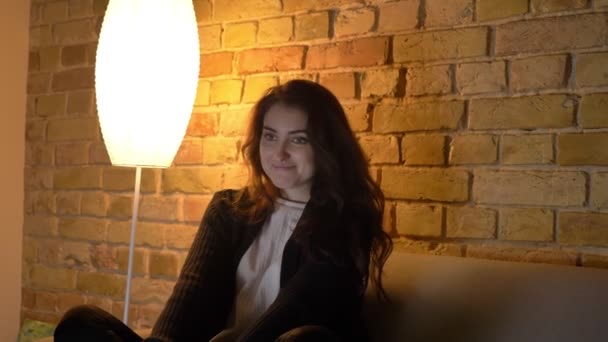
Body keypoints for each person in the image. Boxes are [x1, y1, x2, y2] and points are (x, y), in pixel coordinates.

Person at [54, 79, 393, 342]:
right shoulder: (229, 210)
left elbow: (291, 312)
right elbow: (190, 304)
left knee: (301, 340)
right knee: (82, 324)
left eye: (299, 139)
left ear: (327, 147)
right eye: (270, 136)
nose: (279, 152)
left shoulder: (346, 221)